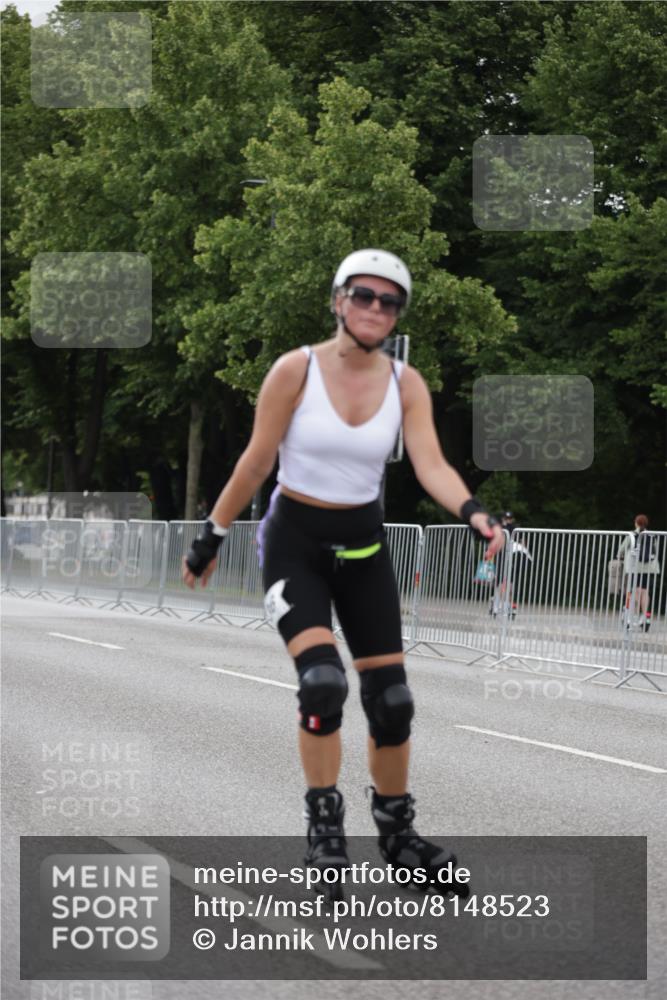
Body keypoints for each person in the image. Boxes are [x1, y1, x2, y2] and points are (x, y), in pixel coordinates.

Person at [182, 249, 505, 895]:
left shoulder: (404, 383)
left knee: (392, 701)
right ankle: (325, 829)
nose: (375, 309)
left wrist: (473, 511)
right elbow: (253, 464)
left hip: (363, 550)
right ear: (337, 300)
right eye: (363, 295)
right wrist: (210, 537)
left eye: (389, 302)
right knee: (323, 684)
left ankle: (397, 835)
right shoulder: (292, 371)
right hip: (294, 545)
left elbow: (430, 464)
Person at [617, 514, 660, 631]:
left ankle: (632, 617)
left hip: (634, 567)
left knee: (634, 591)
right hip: (648, 568)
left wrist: (620, 557)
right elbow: (655, 551)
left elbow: (621, 549)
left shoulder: (632, 535)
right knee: (645, 592)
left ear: (636, 523)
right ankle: (645, 617)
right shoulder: (651, 536)